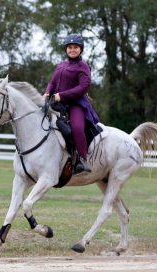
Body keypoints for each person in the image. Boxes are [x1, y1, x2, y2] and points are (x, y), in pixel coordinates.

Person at [44, 33, 100, 175]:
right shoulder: (61, 65)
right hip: (58, 104)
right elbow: (53, 81)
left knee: (76, 127)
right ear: (66, 49)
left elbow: (83, 87)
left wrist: (61, 95)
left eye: (75, 47)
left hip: (76, 104)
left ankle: (82, 159)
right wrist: (47, 92)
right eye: (69, 47)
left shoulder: (83, 67)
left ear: (80, 49)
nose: (72, 50)